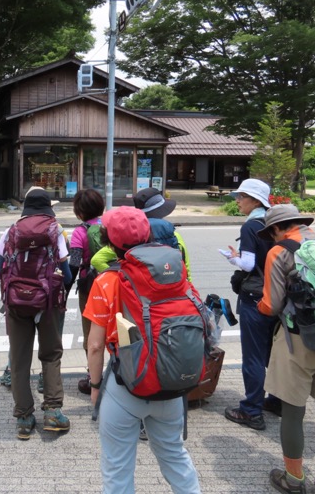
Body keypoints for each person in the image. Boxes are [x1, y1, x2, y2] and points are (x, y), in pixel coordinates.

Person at [83, 206, 201, 494]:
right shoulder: (174, 273)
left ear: (110, 240)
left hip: (126, 385)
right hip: (170, 383)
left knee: (117, 469)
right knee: (175, 456)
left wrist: (96, 386)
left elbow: (96, 345)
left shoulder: (108, 280)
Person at [257, 204, 315, 494]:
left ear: (276, 228)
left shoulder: (280, 250)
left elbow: (271, 305)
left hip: (298, 341)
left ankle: (294, 479)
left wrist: (258, 305)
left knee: (293, 411)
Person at [0, 187, 72, 439]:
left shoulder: (11, 231)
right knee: (50, 355)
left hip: (16, 304)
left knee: (19, 360)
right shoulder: (56, 231)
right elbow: (67, 274)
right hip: (47, 302)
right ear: (48, 207)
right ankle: (52, 412)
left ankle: (24, 418)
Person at [222, 178, 281, 431]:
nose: (237, 201)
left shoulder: (251, 227)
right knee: (274, 353)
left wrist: (232, 259)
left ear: (255, 200)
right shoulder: (275, 222)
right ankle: (279, 401)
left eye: (241, 196)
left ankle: (252, 411)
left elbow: (248, 265)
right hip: (278, 294)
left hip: (255, 297)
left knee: (254, 356)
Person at [67, 188, 105, 395]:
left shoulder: (80, 232)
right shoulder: (107, 226)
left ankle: (93, 377)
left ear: (79, 212)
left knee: (90, 332)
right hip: (112, 285)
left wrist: (64, 290)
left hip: (89, 288)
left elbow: (73, 264)